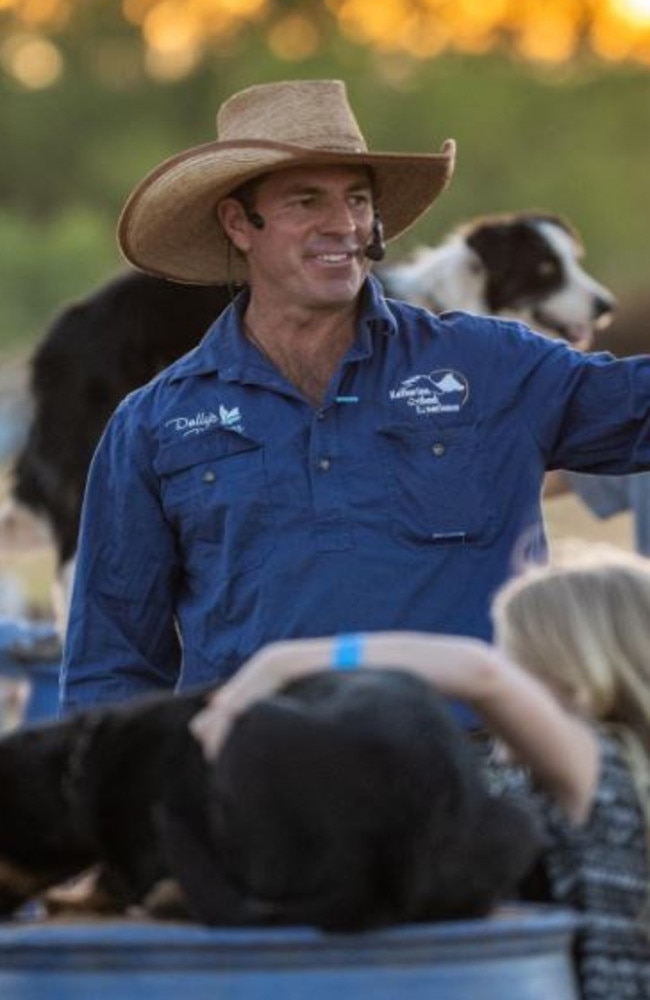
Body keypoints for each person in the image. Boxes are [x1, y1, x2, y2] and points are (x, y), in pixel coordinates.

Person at [61, 78, 650, 715]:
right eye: (306, 201)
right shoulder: (156, 424)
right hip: (263, 787)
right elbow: (112, 665)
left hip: (484, 783)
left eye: (358, 199)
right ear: (239, 223)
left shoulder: (491, 364)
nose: (341, 224)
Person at [191, 541, 650, 1000]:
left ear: (578, 681)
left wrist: (284, 661)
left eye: (518, 664)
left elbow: (479, 673)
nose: (498, 702)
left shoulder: (609, 782)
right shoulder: (535, 787)